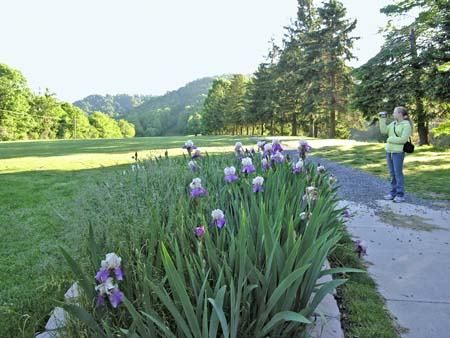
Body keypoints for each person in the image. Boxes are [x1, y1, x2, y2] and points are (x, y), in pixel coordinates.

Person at [379, 106, 413, 203]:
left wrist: (390, 139)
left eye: (395, 112)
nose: (393, 114)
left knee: (398, 174)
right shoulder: (393, 124)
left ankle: (400, 195)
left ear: (400, 114)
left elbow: (403, 139)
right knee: (392, 174)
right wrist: (382, 119)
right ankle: (392, 193)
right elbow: (384, 131)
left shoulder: (406, 125)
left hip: (398, 153)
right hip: (389, 152)